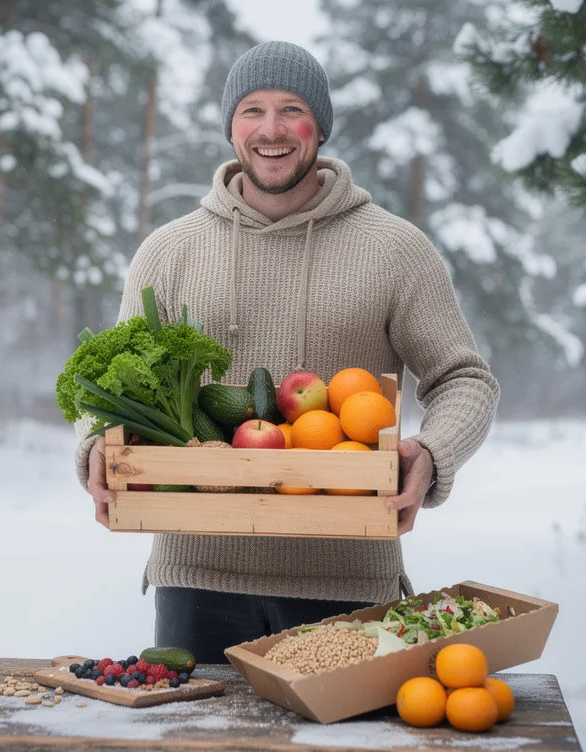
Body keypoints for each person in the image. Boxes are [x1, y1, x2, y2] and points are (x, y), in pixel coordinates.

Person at [74, 41, 499, 663]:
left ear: (320, 126)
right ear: (230, 127)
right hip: (197, 573)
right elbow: (111, 380)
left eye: (290, 109)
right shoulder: (168, 252)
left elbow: (464, 377)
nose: (270, 130)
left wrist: (433, 454)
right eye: (251, 110)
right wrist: (94, 444)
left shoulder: (395, 250)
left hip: (347, 576)